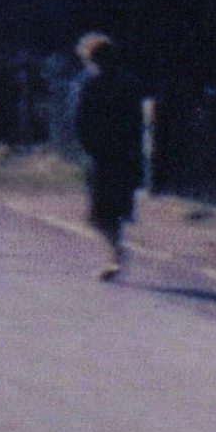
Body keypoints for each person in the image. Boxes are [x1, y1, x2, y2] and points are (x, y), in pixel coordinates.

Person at [69, 33, 147, 281]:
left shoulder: (88, 84)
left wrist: (88, 147)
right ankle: (116, 253)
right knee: (115, 207)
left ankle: (116, 254)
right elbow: (138, 121)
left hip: (102, 155)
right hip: (125, 154)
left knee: (100, 212)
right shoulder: (130, 83)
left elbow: (79, 120)